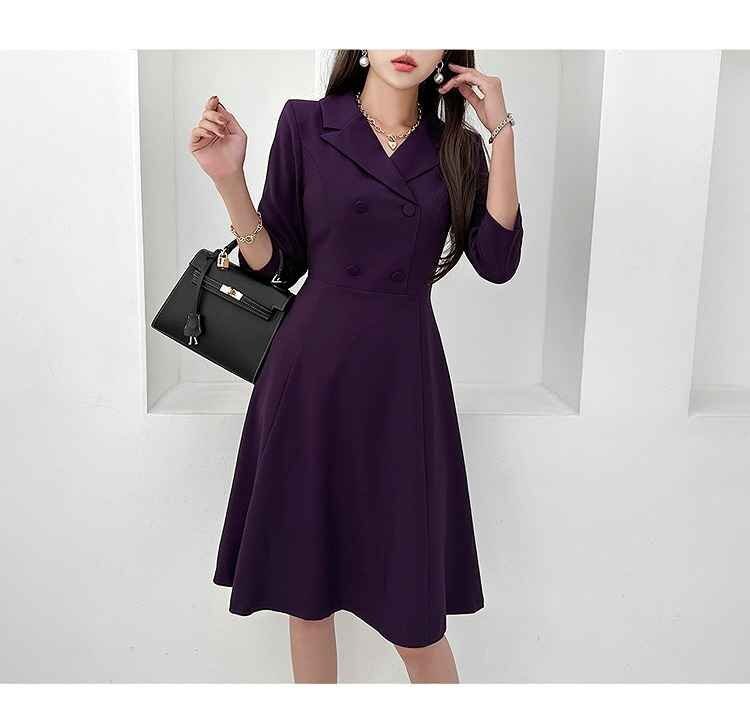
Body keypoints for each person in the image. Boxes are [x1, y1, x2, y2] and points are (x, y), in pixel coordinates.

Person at [189, 49, 523, 684]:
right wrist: (229, 180)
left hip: (402, 383)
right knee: (307, 598)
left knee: (416, 621)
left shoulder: (455, 147)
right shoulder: (306, 123)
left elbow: (497, 260)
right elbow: (276, 264)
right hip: (310, 376)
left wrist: (500, 132)